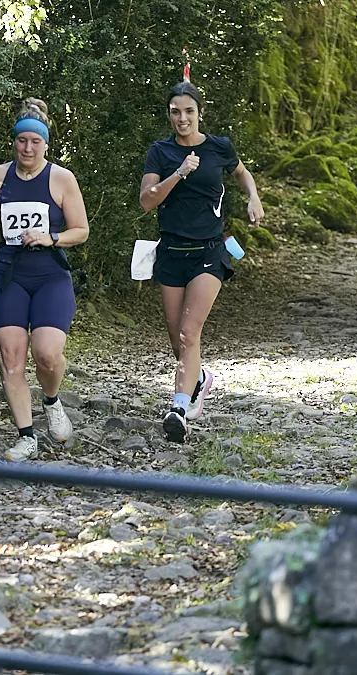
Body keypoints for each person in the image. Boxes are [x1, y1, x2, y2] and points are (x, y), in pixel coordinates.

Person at [0, 98, 89, 462]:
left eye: (36, 142)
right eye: (22, 141)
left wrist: (52, 237)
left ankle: (51, 401)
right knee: (11, 359)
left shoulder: (62, 178)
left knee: (47, 354)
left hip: (50, 274)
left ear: (46, 144)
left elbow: (81, 230)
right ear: (14, 142)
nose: (28, 148)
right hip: (9, 275)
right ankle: (26, 436)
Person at [139, 81, 263, 444]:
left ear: (200, 113)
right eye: (175, 112)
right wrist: (179, 173)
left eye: (189, 111)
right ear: (169, 115)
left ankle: (178, 409)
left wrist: (253, 197)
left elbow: (241, 173)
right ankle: (200, 378)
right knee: (177, 340)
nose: (182, 118)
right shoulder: (160, 152)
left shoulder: (219, 146)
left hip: (209, 251)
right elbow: (146, 201)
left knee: (188, 333)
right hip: (171, 252)